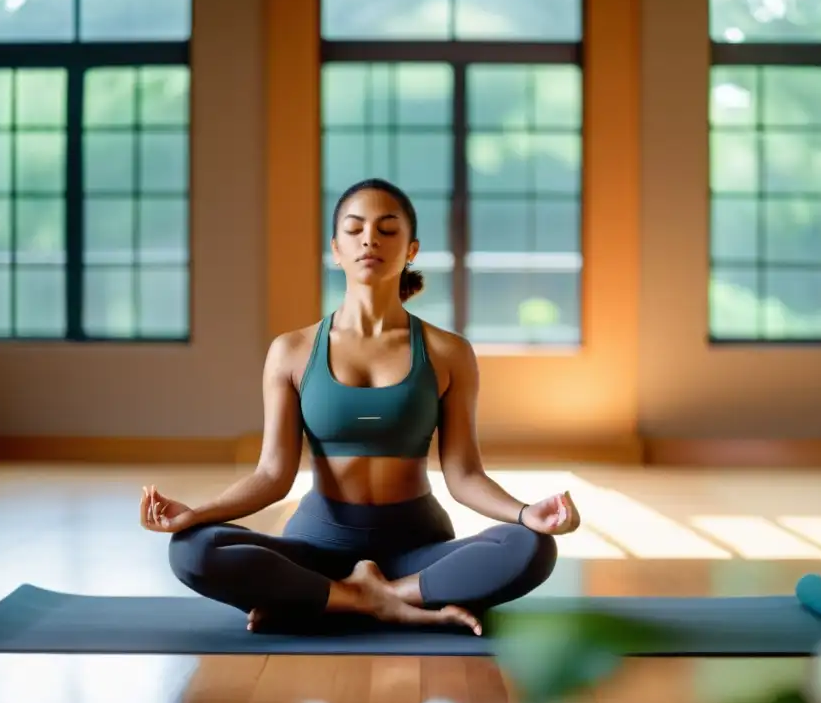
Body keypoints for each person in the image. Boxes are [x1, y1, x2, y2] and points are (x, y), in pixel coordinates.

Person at [139, 177, 581, 636]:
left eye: (388, 230)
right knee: (190, 548)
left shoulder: (449, 352)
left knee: (533, 547)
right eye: (355, 229)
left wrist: (528, 513)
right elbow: (272, 475)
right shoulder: (292, 351)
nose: (370, 238)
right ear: (336, 249)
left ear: (411, 249)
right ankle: (369, 598)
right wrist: (196, 514)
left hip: (417, 549)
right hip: (317, 547)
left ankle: (347, 599)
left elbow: (465, 475)